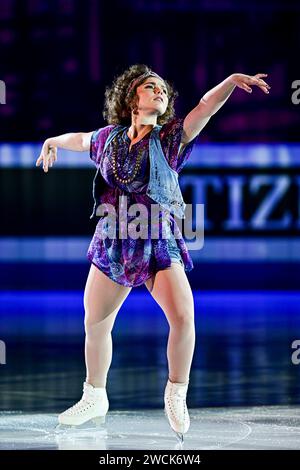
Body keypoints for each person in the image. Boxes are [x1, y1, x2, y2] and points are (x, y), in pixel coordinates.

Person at [36, 64, 270, 442]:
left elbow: (205, 107)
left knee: (183, 316)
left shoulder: (172, 138)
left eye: (163, 88)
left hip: (156, 238)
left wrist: (228, 83)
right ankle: (94, 395)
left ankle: (176, 392)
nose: (160, 92)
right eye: (150, 86)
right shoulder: (109, 138)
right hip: (113, 239)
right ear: (132, 99)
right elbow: (81, 139)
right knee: (95, 321)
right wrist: (52, 141)